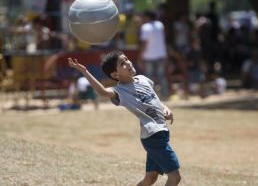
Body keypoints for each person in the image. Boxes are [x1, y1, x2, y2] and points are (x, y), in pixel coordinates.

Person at [68, 51, 181, 186]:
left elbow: (153, 99)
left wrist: (164, 108)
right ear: (115, 74)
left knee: (150, 178)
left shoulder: (143, 79)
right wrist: (85, 71)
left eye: (126, 59)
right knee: (175, 177)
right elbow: (102, 91)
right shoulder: (120, 91)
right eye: (122, 63)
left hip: (160, 132)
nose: (128, 62)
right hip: (153, 135)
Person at [139, 10, 169, 100]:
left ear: (147, 17)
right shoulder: (160, 25)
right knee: (161, 75)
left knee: (149, 76)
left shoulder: (145, 27)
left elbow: (144, 42)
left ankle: (150, 96)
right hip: (161, 54)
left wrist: (140, 55)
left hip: (149, 55)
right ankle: (165, 95)